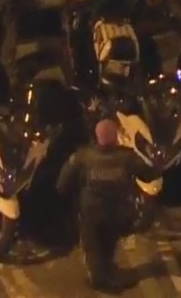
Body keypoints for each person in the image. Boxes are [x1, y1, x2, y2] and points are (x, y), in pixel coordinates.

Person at [56, 118, 159, 292]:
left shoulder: (83, 156)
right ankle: (107, 271)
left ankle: (100, 279)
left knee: (92, 247)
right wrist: (156, 165)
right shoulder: (128, 156)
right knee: (109, 243)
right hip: (117, 212)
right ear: (115, 136)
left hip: (91, 212)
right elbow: (148, 176)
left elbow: (63, 183)